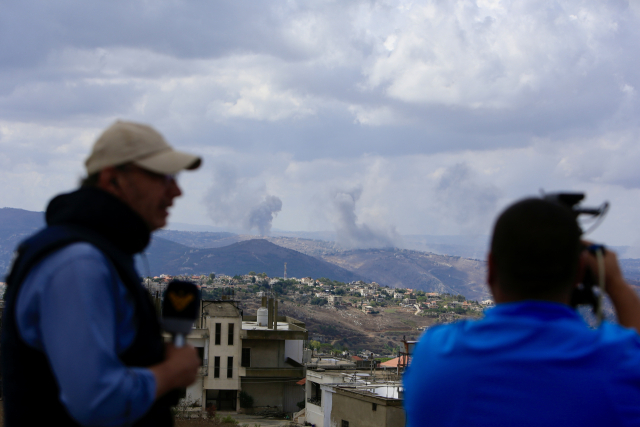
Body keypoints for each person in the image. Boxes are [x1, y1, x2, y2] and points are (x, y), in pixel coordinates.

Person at [1, 121, 203, 426]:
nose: (176, 191)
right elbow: (97, 401)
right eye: (163, 177)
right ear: (113, 179)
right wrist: (171, 372)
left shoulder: (102, 254)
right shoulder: (79, 263)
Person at [404, 198, 640, 426]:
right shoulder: (616, 364)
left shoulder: (435, 354)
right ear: (579, 272)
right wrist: (616, 284)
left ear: (491, 269)